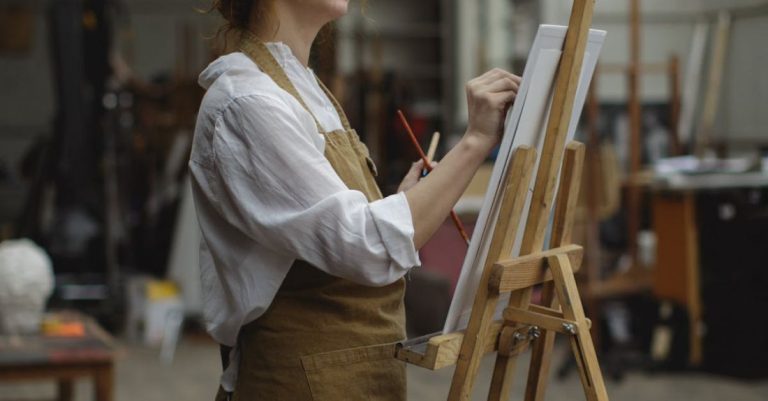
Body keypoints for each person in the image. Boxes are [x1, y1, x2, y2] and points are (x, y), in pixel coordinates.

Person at [190, 0, 520, 399]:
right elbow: (365, 245)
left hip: (352, 374)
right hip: (300, 382)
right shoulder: (248, 102)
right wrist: (475, 142)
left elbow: (341, 229)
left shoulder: (300, 87)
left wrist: (402, 203)